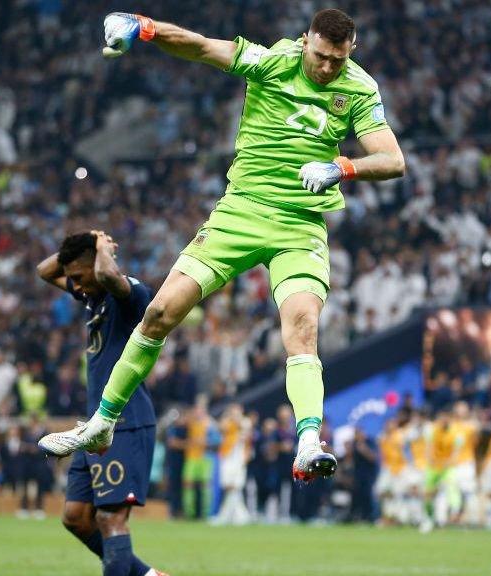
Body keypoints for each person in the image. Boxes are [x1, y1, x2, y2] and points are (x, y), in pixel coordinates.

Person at [41, 7, 405, 485]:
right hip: (241, 213)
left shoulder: (358, 88)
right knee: (160, 313)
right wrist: (147, 29)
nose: (326, 69)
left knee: (303, 327)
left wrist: (344, 168)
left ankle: (309, 441)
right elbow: (199, 46)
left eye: (337, 60)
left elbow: (392, 159)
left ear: (350, 51)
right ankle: (103, 423)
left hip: (300, 225)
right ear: (305, 42)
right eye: (320, 57)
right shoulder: (273, 61)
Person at [36, 231, 166, 576]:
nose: (75, 286)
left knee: (110, 519)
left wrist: (102, 248)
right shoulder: (93, 297)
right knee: (76, 517)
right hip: (94, 426)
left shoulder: (130, 295)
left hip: (127, 422)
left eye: (79, 277)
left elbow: (109, 275)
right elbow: (44, 271)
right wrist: (87, 240)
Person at [420, 409, 462, 532]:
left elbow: (456, 454)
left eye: (447, 418)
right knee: (427, 494)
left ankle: (454, 512)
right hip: (433, 467)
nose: (444, 421)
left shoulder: (457, 434)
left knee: (452, 486)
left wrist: (447, 463)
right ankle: (429, 518)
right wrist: (431, 461)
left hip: (447, 467)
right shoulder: (431, 430)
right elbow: (427, 449)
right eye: (442, 418)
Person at [212, 403, 252, 525]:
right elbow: (220, 428)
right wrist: (228, 417)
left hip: (239, 457)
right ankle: (240, 515)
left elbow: (245, 431)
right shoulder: (227, 421)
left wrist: (236, 419)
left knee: (236, 486)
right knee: (228, 485)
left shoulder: (245, 421)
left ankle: (226, 515)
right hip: (227, 456)